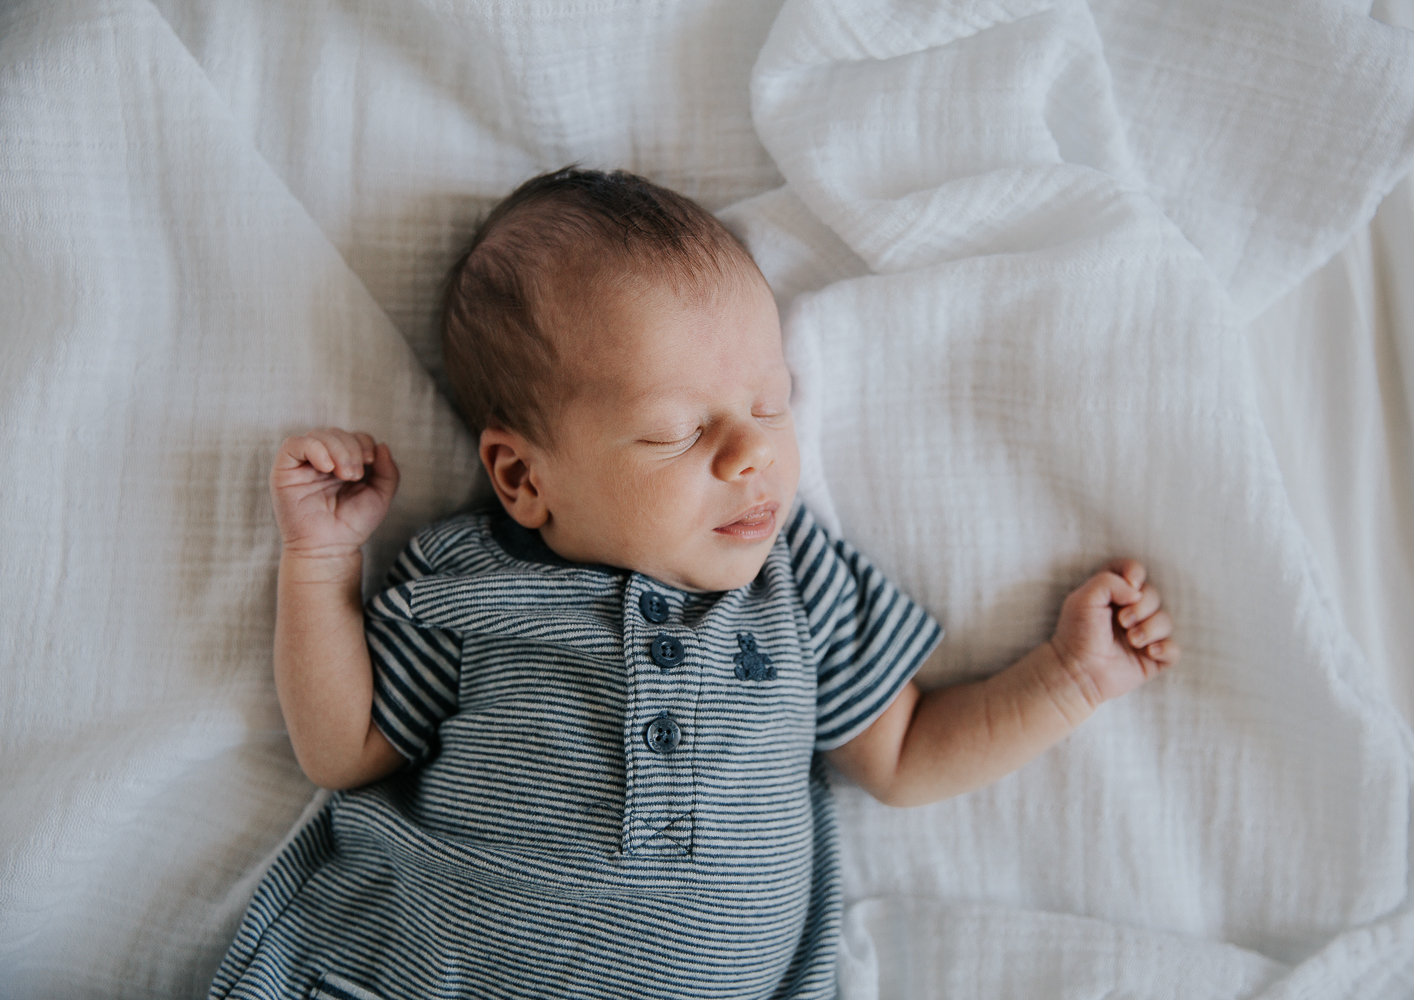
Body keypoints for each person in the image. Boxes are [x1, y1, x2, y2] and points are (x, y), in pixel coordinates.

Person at [212, 168, 1178, 1000]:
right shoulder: (469, 581)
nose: (754, 450)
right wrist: (320, 562)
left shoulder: (798, 585)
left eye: (768, 404)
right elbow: (346, 751)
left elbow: (907, 752)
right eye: (682, 429)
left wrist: (1068, 680)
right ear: (523, 478)